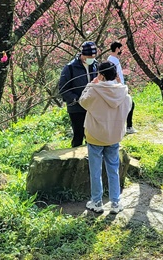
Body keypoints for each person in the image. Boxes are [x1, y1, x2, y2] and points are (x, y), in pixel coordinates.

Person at [79, 61, 132, 214]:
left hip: (95, 135)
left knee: (95, 170)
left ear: (100, 75)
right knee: (113, 169)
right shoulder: (124, 93)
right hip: (114, 137)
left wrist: (90, 85)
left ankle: (97, 202)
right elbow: (128, 106)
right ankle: (115, 203)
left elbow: (83, 102)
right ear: (115, 75)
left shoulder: (94, 90)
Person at [58, 41, 98, 147]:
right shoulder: (70, 67)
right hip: (76, 108)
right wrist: (76, 98)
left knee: (92, 135)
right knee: (78, 134)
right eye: (89, 56)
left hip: (92, 106)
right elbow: (63, 88)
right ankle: (74, 161)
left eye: (93, 56)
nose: (91, 58)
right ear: (82, 54)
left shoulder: (95, 65)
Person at [107, 41, 137, 134]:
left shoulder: (112, 59)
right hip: (117, 87)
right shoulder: (113, 60)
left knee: (128, 105)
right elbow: (115, 75)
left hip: (118, 86)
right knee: (130, 104)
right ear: (117, 49)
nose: (121, 51)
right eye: (120, 49)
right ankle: (128, 126)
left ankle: (125, 126)